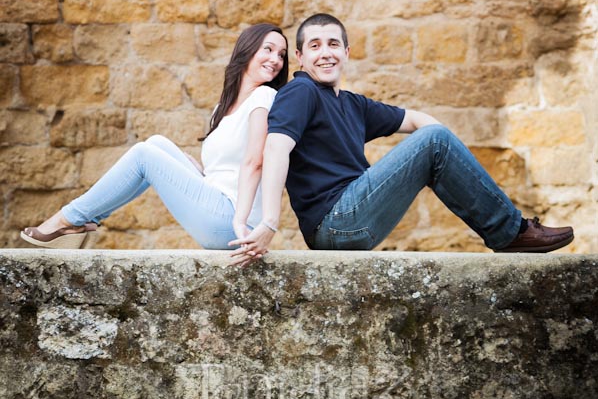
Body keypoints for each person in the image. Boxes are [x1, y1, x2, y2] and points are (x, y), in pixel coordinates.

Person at [230, 13, 574, 260]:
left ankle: (507, 230)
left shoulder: (353, 105)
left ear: (347, 53)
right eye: (315, 46)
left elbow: (415, 120)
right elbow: (276, 148)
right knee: (435, 140)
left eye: (334, 44)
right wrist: (269, 223)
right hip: (335, 222)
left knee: (435, 136)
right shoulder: (300, 91)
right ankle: (510, 232)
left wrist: (453, 158)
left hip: (354, 221)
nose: (326, 53)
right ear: (301, 58)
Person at [21, 23, 288, 258]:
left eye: (281, 54)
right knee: (157, 143)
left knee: (143, 155)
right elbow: (221, 171)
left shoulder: (264, 97)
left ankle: (67, 219)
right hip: (218, 209)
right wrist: (185, 168)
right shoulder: (223, 108)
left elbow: (255, 162)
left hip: (231, 222)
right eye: (268, 49)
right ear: (247, 49)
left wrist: (241, 222)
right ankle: (81, 222)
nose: (276, 59)